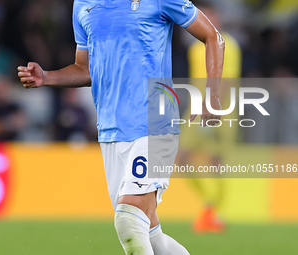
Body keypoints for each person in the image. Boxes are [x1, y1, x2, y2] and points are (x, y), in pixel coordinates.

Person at [18, 0, 224, 254]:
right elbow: (85, 69)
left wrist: (212, 95)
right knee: (149, 234)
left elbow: (213, 36)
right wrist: (48, 77)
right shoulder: (83, 5)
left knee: (128, 221)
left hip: (154, 124)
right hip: (111, 131)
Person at [176, 1, 242, 233]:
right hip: (194, 114)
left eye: (212, 15)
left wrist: (213, 111)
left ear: (219, 17)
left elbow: (226, 81)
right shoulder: (195, 47)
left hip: (221, 114)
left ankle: (213, 213)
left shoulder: (229, 45)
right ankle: (208, 204)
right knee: (181, 159)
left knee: (217, 164)